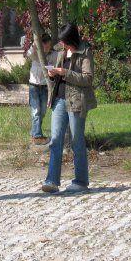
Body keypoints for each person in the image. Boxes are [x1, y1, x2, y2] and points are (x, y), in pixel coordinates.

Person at [42, 22, 97, 193]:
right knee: (55, 139)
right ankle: (52, 181)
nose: (62, 45)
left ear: (72, 39)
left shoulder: (85, 51)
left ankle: (80, 181)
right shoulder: (61, 52)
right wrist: (53, 75)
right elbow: (57, 77)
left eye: (65, 42)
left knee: (77, 140)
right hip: (59, 100)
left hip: (76, 101)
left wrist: (65, 73)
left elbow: (87, 79)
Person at [27, 33, 57, 145]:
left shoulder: (53, 54)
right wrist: (34, 45)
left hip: (45, 86)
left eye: (49, 46)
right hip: (34, 85)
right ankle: (37, 136)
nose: (47, 49)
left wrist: (50, 68)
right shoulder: (36, 53)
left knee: (43, 111)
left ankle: (34, 132)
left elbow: (54, 66)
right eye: (44, 46)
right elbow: (28, 54)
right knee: (36, 111)